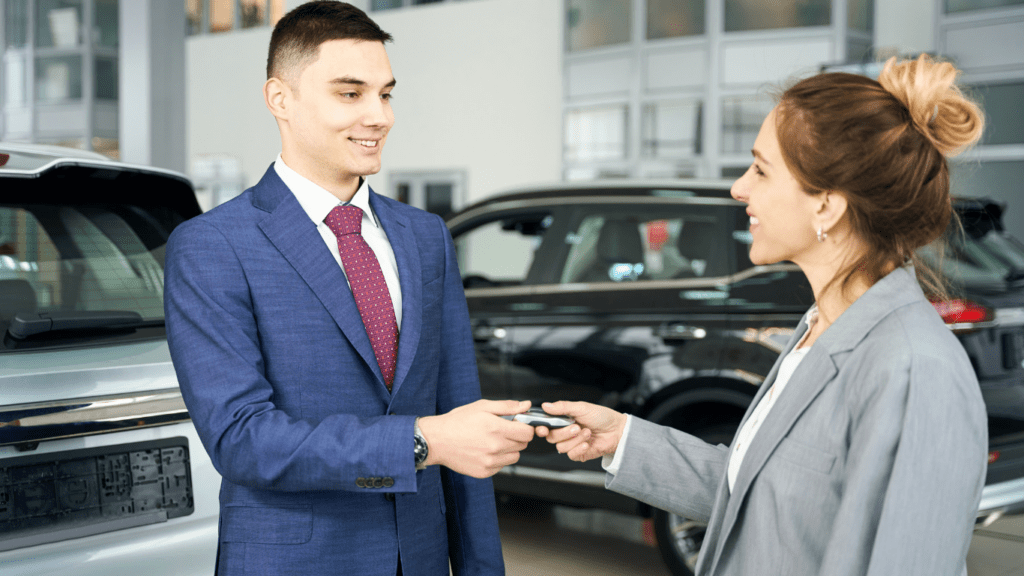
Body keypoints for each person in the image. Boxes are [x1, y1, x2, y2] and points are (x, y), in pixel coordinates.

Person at [537, 54, 988, 576]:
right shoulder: (817, 329)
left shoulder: (912, 370)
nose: (739, 188)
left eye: (760, 169)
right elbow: (755, 494)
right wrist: (621, 439)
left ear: (827, 205)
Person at [164, 2, 534, 575]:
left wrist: (482, 567)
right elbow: (243, 440)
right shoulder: (213, 245)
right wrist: (421, 442)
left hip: (424, 558)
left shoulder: (424, 236)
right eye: (350, 93)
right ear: (280, 99)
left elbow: (457, 413)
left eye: (385, 94)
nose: (379, 116)